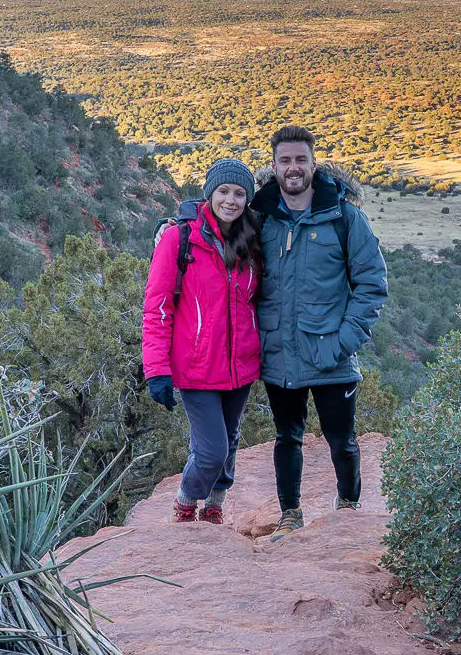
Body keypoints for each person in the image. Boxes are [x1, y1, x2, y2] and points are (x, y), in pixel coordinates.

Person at [252, 124, 387, 540]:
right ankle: (291, 514)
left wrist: (344, 342)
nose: (293, 168)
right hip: (279, 353)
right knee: (286, 437)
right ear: (273, 167)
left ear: (314, 163)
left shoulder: (344, 217)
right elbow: (213, 220)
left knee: (342, 440)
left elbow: (372, 284)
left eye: (300, 160)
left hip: (331, 354)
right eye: (285, 160)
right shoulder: (261, 218)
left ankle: (347, 506)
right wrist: (173, 225)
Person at [141, 158, 264, 524]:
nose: (231, 200)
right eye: (224, 191)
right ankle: (185, 500)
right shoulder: (180, 239)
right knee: (211, 450)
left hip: (240, 364)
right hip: (195, 365)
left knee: (231, 438)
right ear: (209, 193)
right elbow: (157, 307)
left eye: (240, 193)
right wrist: (156, 370)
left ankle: (214, 504)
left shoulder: (252, 241)